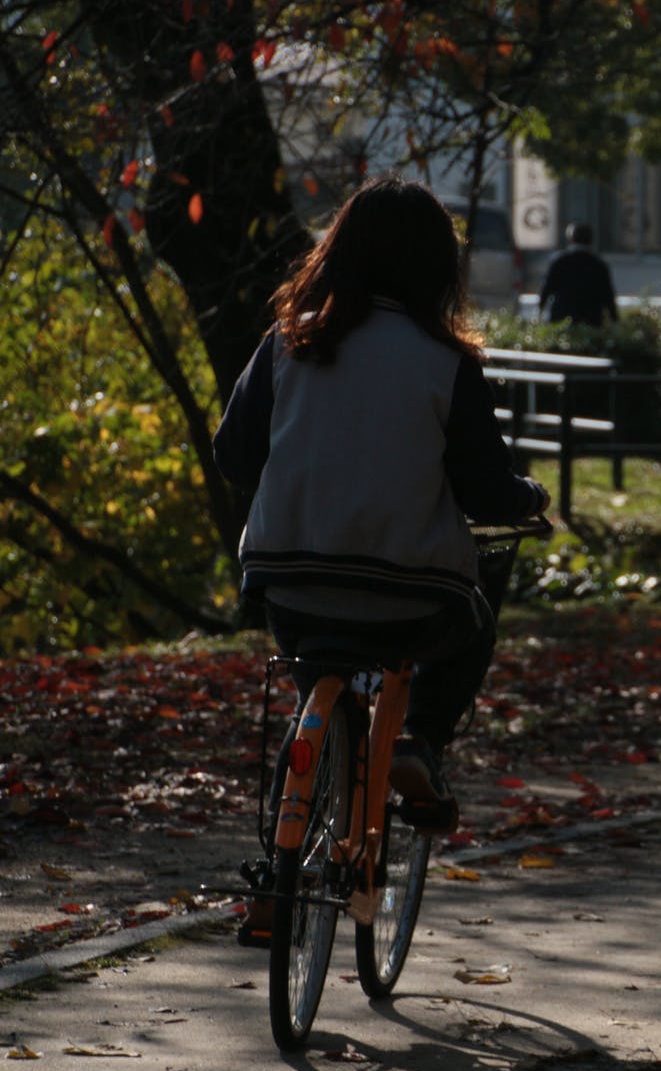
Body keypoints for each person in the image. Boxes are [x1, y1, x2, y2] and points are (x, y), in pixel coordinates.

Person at [213, 175, 550, 840]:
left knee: (316, 684)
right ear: (438, 267)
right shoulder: (445, 363)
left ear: (338, 250)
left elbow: (233, 455)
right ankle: (418, 741)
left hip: (289, 584)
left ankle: (273, 883)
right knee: (473, 623)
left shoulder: (288, 343)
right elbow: (485, 489)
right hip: (408, 598)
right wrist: (528, 495)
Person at [537, 222, 617, 326]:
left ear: (570, 239)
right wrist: (614, 318)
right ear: (591, 240)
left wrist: (540, 308)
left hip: (561, 317)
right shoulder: (598, 264)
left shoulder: (559, 261)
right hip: (591, 319)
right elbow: (607, 294)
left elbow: (547, 287)